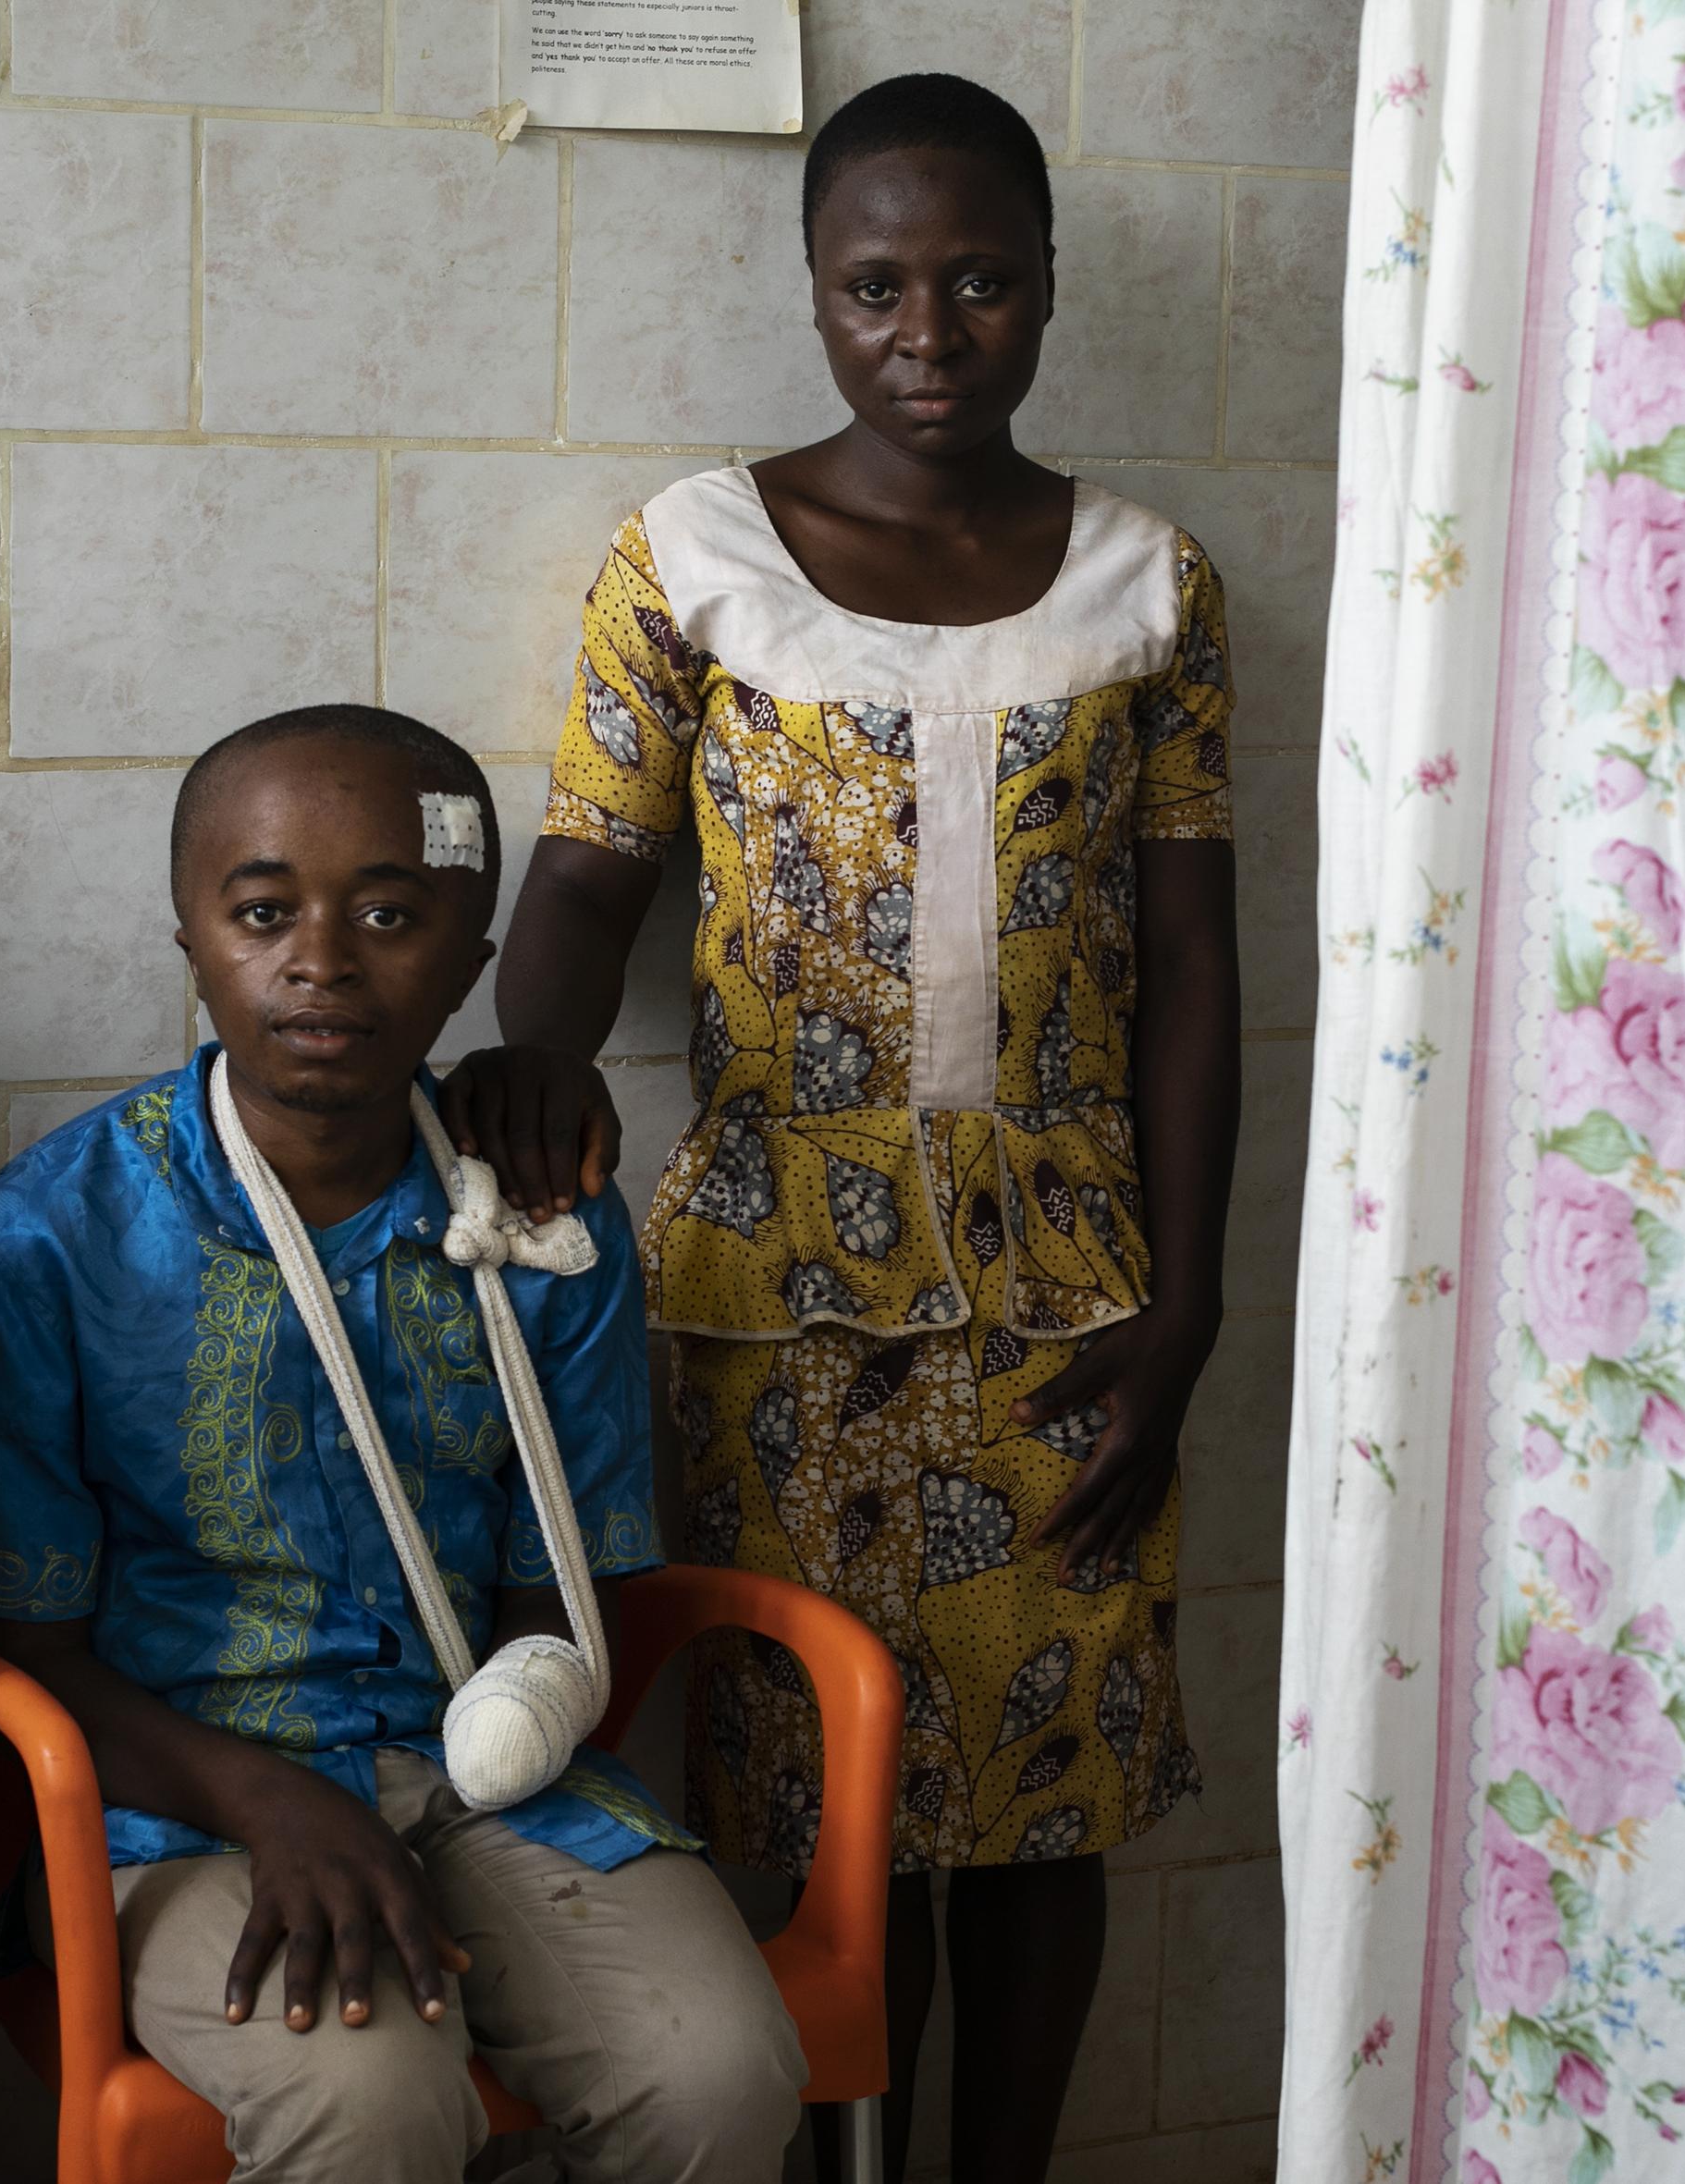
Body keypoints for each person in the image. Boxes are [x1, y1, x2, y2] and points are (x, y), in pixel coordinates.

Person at [440, 73, 1244, 2183]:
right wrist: (525, 1061)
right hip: (768, 1291)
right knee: (804, 1799)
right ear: (810, 291)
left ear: (1046, 288)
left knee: (1040, 1802)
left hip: (1073, 1290)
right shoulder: (687, 559)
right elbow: (590, 883)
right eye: (875, 284)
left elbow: (1191, 971)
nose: (926, 329)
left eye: (979, 281)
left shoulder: (1154, 586)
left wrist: (1187, 1308)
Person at [0, 705, 806, 2183]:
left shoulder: (538, 1220)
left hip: (481, 1769)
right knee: (370, 2097)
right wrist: (271, 1796)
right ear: (192, 937)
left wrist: (501, 1741)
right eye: (266, 909)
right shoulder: (55, 1232)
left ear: (473, 962)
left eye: (392, 913)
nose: (324, 959)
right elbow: (28, 1642)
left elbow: (565, 1598)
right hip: (177, 1805)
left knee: (720, 2071)